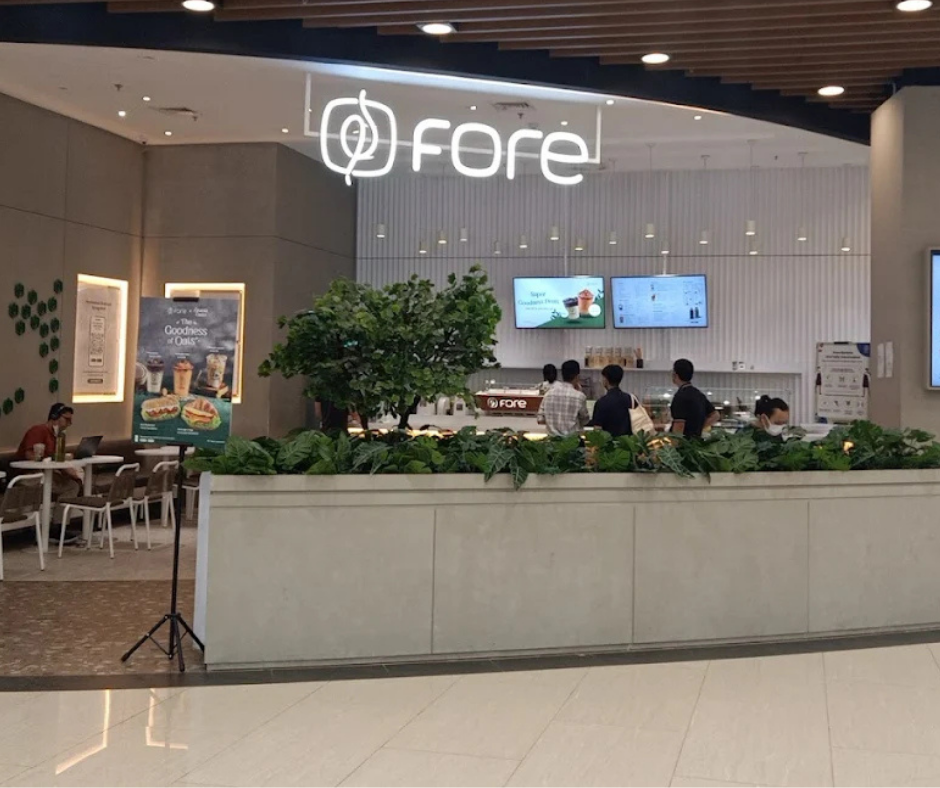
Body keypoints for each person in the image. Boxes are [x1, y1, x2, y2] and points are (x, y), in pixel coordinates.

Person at [16, 403, 83, 542]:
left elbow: (54, 459)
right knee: (71, 486)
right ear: (54, 417)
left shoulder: (57, 436)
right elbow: (29, 455)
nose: (69, 424)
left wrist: (68, 471)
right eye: (66, 419)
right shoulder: (38, 431)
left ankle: (59, 527)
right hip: (29, 476)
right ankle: (57, 528)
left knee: (73, 483)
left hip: (44, 474)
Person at [537, 359, 589, 437]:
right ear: (577, 376)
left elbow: (540, 419)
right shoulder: (579, 397)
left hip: (552, 441)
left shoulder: (548, 394)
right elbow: (585, 420)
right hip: (572, 441)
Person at [670, 359, 719, 438]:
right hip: (696, 441)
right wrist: (698, 428)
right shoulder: (699, 394)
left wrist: (673, 444)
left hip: (684, 442)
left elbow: (679, 425)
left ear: (675, 374)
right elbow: (715, 415)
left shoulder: (680, 397)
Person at [589, 364, 636, 438]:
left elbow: (597, 430)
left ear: (606, 379)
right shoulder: (630, 399)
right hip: (627, 442)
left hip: (608, 443)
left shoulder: (601, 402)